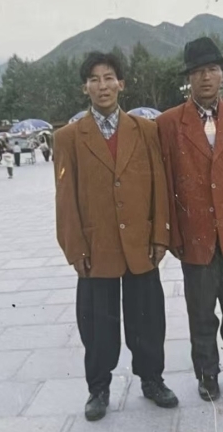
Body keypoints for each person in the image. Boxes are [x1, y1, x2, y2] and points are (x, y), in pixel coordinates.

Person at [54, 51, 178, 422]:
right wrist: (75, 248)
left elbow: (159, 184)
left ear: (121, 83)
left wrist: (160, 235)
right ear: (85, 88)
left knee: (148, 319)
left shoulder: (145, 130)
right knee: (97, 323)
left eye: (109, 77)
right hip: (97, 247)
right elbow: (65, 199)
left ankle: (152, 380)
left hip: (141, 244)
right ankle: (98, 388)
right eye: (94, 79)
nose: (102, 86)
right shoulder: (68, 138)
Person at [156, 37, 223, 402]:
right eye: (199, 71)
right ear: (188, 78)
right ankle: (207, 374)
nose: (206, 77)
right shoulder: (169, 123)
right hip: (195, 232)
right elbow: (167, 181)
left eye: (213, 69)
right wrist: (173, 233)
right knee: (201, 312)